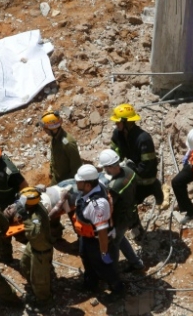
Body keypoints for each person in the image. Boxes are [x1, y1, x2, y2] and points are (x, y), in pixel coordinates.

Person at [73, 164, 125, 297]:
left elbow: (102, 231)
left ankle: (117, 290)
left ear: (88, 185)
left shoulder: (97, 206)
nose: (76, 183)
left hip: (97, 242)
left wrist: (103, 252)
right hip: (87, 238)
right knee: (85, 256)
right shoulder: (94, 188)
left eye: (79, 181)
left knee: (104, 267)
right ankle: (91, 283)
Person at [98, 149, 146, 273]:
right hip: (131, 212)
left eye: (105, 168)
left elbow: (109, 206)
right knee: (120, 238)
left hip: (121, 219)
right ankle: (136, 263)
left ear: (109, 166)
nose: (105, 171)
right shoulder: (130, 171)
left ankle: (113, 272)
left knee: (113, 244)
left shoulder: (114, 186)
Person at [109, 103, 164, 209]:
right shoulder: (118, 134)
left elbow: (147, 165)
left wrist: (129, 173)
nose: (116, 123)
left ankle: (154, 187)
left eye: (118, 121)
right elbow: (114, 152)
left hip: (144, 177)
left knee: (131, 202)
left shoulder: (143, 139)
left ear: (127, 122)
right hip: (130, 168)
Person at [41, 110, 82, 239]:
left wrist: (70, 187)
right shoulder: (55, 138)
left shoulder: (68, 143)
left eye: (46, 128)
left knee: (72, 212)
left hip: (67, 184)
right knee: (51, 207)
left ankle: (82, 239)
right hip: (56, 180)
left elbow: (76, 168)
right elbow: (54, 157)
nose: (44, 131)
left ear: (53, 128)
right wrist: (52, 171)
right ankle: (56, 232)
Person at [16, 186, 54, 307]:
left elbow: (33, 233)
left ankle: (44, 301)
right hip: (33, 246)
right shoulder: (34, 206)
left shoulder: (36, 217)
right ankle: (33, 285)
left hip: (41, 251)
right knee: (24, 265)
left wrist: (25, 218)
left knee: (40, 281)